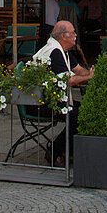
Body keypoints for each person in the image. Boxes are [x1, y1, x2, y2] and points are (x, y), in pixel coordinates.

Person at [33, 21, 93, 165]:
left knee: (87, 108)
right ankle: (55, 150)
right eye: (73, 33)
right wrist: (89, 77)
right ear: (63, 36)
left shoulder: (62, 50)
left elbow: (78, 69)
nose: (75, 36)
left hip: (57, 99)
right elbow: (70, 80)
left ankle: (69, 150)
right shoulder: (54, 52)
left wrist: (91, 73)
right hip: (41, 103)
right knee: (80, 114)